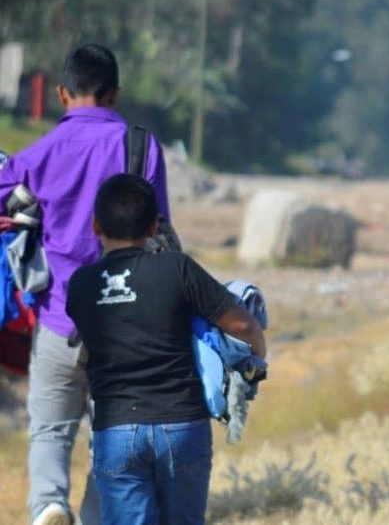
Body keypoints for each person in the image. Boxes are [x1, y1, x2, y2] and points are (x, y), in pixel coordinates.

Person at [0, 44, 169, 525]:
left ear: (61, 93)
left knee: (50, 430)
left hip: (58, 318)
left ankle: (50, 505)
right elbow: (162, 232)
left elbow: (3, 193)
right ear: (114, 94)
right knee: (114, 436)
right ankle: (99, 517)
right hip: (126, 325)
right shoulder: (142, 147)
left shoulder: (42, 151)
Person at [65, 173, 267, 525]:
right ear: (153, 225)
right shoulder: (177, 268)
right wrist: (256, 363)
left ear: (96, 225)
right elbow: (243, 325)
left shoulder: (81, 284)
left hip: (117, 427)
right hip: (182, 425)